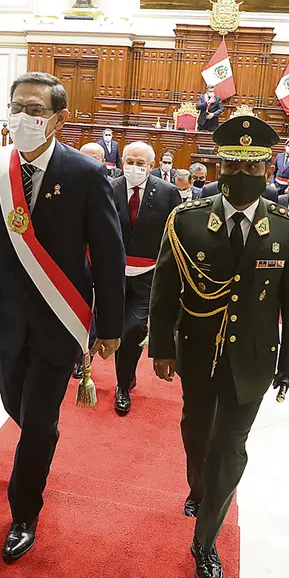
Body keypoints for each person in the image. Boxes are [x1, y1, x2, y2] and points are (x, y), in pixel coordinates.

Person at [0, 72, 125, 563]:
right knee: (18, 405)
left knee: (36, 421)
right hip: (7, 319)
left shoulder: (86, 174)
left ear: (58, 117)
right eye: (16, 107)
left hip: (61, 319)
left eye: (34, 109)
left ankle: (23, 511)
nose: (23, 118)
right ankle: (40, 442)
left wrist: (110, 327)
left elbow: (110, 256)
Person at [150, 112, 289, 578]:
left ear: (268, 171)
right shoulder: (188, 221)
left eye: (252, 169)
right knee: (197, 433)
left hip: (254, 360)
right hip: (198, 353)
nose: (242, 178)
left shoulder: (287, 230)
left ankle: (205, 542)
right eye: (232, 168)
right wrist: (161, 347)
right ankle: (198, 488)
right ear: (218, 168)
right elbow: (164, 291)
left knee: (230, 448)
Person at [111, 141, 179, 415]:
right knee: (115, 329)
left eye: (141, 163)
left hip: (148, 275)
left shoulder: (168, 192)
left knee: (134, 330)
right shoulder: (109, 187)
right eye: (130, 161)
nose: (134, 167)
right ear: (121, 161)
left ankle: (123, 384)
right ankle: (124, 379)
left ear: (151, 166)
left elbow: (174, 236)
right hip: (113, 273)